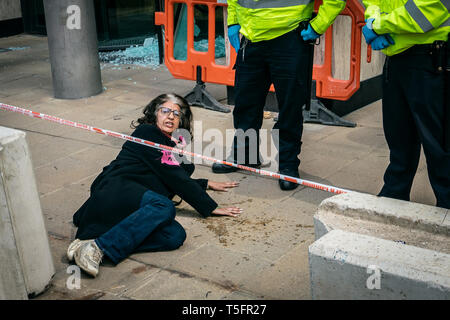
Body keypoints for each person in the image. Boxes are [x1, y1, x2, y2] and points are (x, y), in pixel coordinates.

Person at [67, 93, 242, 277]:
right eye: (165, 111)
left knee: (174, 236)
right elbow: (174, 176)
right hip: (118, 189)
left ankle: (100, 241)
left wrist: (203, 183)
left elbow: (171, 175)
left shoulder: (169, 145)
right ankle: (97, 248)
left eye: (177, 114)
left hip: (136, 197)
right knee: (163, 206)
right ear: (154, 114)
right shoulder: (147, 132)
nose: (171, 116)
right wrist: (210, 206)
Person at [212, 0, 346, 190]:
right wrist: (233, 21)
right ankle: (244, 156)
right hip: (252, 38)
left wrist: (318, 26)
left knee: (290, 107)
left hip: (290, 37)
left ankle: (288, 164)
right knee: (245, 103)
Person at [361, 1, 450, 208]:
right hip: (396, 57)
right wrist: (373, 20)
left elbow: (429, 9)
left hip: (430, 57)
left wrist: (377, 26)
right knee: (399, 138)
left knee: (439, 146)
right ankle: (394, 197)